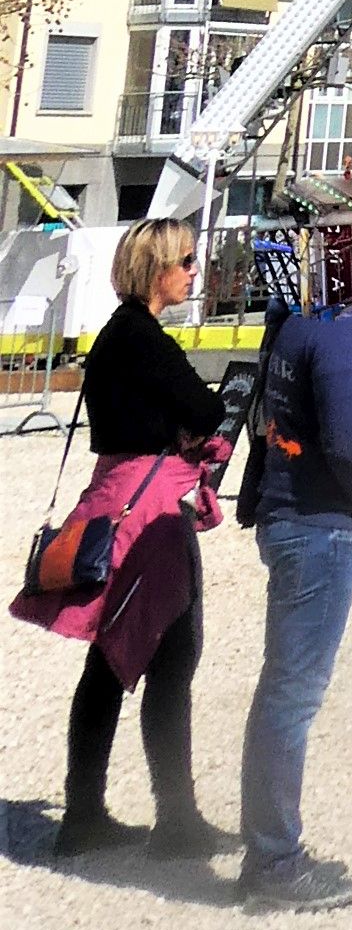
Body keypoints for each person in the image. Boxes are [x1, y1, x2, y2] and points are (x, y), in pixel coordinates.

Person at [22, 217, 226, 861]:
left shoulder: (115, 334)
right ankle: (175, 820)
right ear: (156, 269)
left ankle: (84, 814)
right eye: (185, 260)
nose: (193, 271)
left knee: (109, 660)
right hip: (147, 508)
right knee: (172, 658)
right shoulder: (144, 338)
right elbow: (208, 409)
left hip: (112, 495)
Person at [236, 237, 352, 910]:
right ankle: (274, 859)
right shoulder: (338, 331)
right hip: (320, 523)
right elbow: (346, 440)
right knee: (293, 694)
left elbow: (264, 419)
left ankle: (270, 847)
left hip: (290, 513)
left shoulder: (293, 323)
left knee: (283, 688)